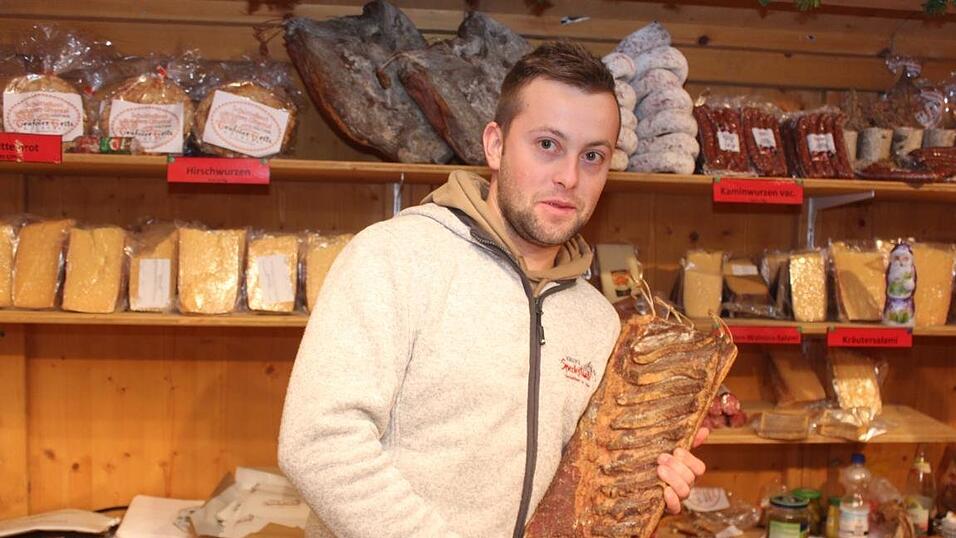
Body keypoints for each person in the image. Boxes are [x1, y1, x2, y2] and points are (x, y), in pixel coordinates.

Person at [278, 40, 708, 538]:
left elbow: (577, 481)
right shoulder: (396, 257)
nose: (569, 177)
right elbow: (318, 443)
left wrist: (640, 481)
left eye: (593, 156)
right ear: (496, 145)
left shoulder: (597, 319)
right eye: (548, 145)